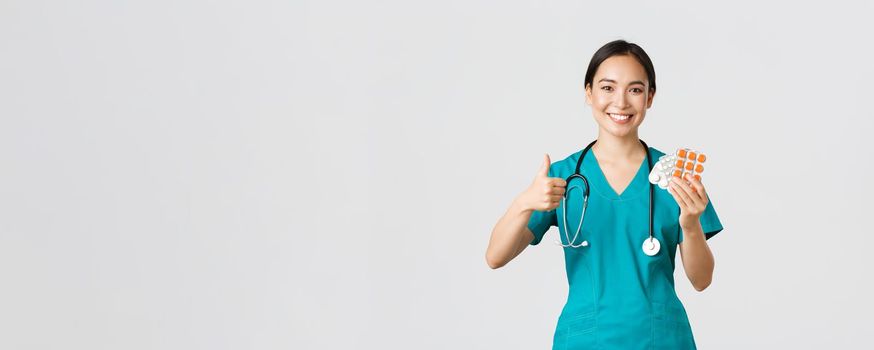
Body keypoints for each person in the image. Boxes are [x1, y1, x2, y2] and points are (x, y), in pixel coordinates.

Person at [485, 39, 723, 349]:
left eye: (635, 90)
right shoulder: (564, 177)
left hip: (661, 339)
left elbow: (702, 280)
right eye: (608, 88)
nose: (621, 103)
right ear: (588, 93)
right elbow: (495, 257)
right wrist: (524, 203)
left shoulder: (675, 177)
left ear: (650, 97)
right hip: (587, 339)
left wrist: (691, 225)